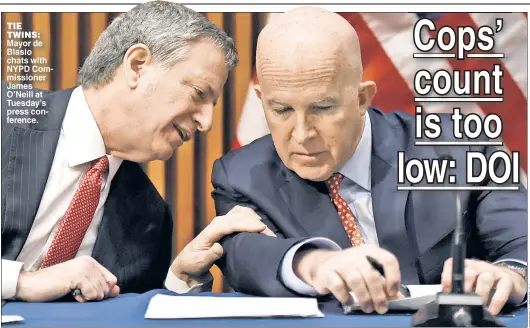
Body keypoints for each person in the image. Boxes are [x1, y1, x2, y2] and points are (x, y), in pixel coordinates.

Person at [211, 6, 528, 316]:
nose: (302, 134)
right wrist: (316, 264)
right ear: (261, 99)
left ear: (362, 98)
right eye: (281, 110)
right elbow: (244, 256)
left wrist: (512, 275)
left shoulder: (463, 150)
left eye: (322, 108)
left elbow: (521, 244)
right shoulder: (241, 176)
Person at [1, 1, 273, 303]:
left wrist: (179, 279)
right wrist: (21, 282)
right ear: (138, 65)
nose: (206, 122)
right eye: (199, 93)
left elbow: (126, 314)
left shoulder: (149, 216)